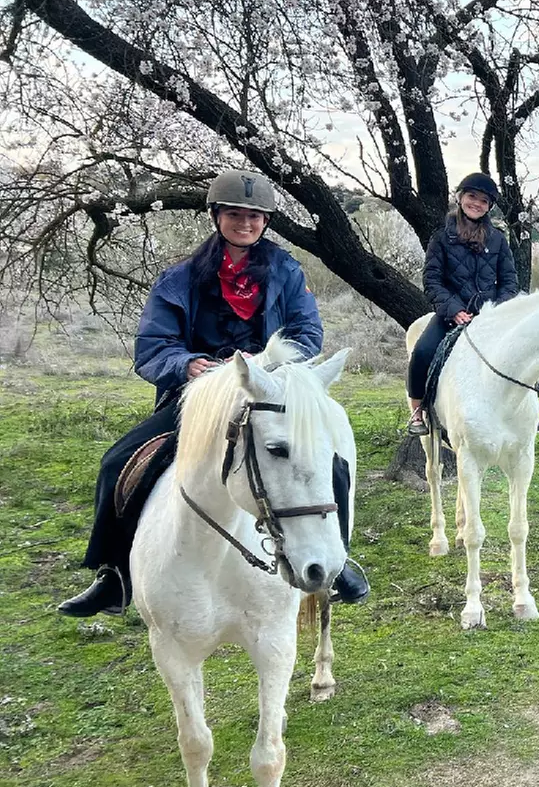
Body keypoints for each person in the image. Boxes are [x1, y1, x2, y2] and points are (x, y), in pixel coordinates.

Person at [57, 169, 370, 617]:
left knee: (328, 456)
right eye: (236, 214)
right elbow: (153, 346)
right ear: (217, 215)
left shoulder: (286, 271)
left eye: (255, 216)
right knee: (117, 462)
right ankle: (114, 573)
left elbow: (307, 332)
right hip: (199, 397)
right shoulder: (179, 278)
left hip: (264, 388)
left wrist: (267, 362)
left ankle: (338, 559)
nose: (246, 223)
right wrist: (185, 364)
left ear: (265, 222)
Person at [405, 172, 530, 435]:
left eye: (484, 201)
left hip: (489, 316)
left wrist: (495, 312)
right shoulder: (441, 238)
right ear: (461, 198)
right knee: (423, 353)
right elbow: (432, 280)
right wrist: (454, 310)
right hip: (451, 314)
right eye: (472, 196)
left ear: (489, 207)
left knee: (527, 349)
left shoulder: (497, 240)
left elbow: (509, 281)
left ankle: (529, 412)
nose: (477, 203)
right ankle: (418, 412)